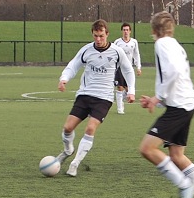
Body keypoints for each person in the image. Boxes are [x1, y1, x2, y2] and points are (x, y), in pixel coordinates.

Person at [139, 11, 194, 198]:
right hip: (186, 105)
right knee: (176, 155)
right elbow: (178, 75)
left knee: (147, 149)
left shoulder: (161, 44)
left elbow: (173, 72)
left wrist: (157, 98)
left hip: (179, 108)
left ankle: (184, 185)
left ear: (154, 30)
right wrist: (158, 98)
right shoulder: (174, 44)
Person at [55, 19, 136, 177]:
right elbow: (73, 65)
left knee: (90, 128)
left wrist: (131, 91)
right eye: (95, 36)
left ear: (107, 34)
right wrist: (64, 78)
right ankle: (68, 150)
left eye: (101, 36)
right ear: (92, 35)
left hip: (104, 98)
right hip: (84, 95)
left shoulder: (116, 51)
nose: (98, 40)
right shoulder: (86, 50)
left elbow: (128, 70)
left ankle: (75, 163)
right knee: (67, 128)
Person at [114, 22, 142, 114]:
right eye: (124, 30)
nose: (125, 32)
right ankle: (120, 109)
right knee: (120, 88)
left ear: (130, 31)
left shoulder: (134, 42)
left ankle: (125, 97)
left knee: (127, 89)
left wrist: (138, 67)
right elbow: (113, 54)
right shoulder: (117, 42)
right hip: (119, 68)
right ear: (122, 31)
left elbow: (136, 54)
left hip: (129, 68)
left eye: (127, 30)